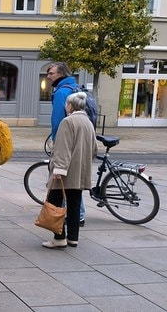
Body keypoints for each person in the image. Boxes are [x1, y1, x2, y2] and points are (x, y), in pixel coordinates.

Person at [42, 92, 98, 249]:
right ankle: (73, 238)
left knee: (55, 203)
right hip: (80, 172)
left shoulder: (67, 122)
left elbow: (62, 149)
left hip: (65, 172)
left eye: (66, 104)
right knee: (74, 204)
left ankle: (59, 237)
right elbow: (94, 149)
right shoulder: (88, 122)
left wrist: (58, 170)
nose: (65, 107)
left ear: (70, 105)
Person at [47, 62, 87, 227]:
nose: (48, 76)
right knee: (75, 180)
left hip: (66, 138)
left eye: (51, 73)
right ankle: (78, 215)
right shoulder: (76, 88)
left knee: (62, 178)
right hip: (80, 137)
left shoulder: (62, 92)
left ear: (61, 74)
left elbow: (57, 120)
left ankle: (72, 215)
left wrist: (55, 140)